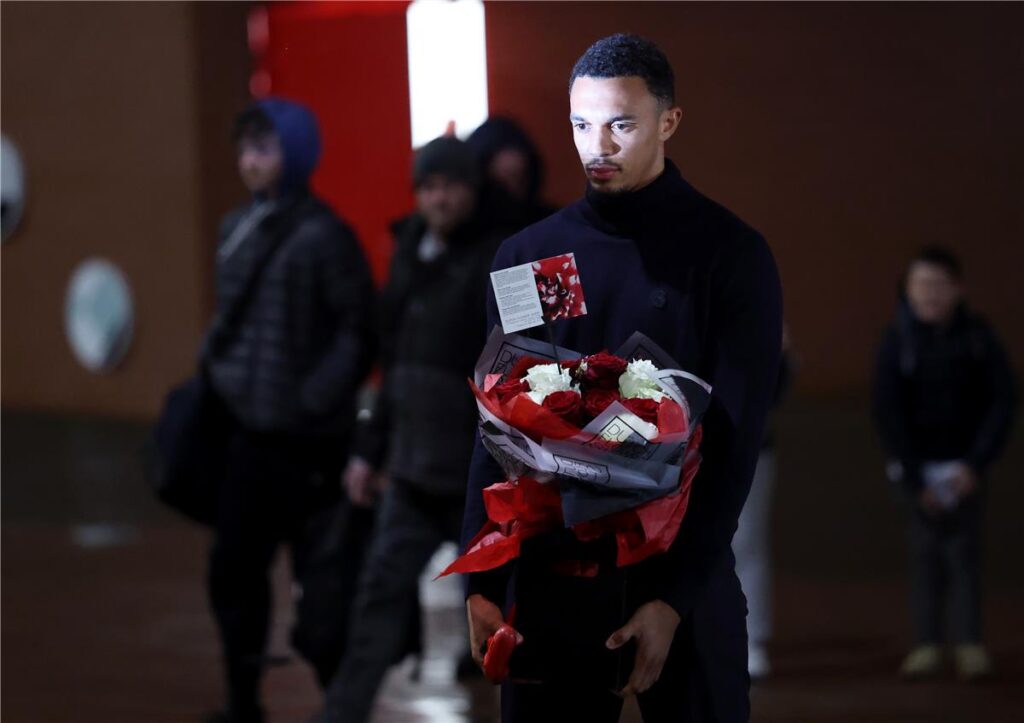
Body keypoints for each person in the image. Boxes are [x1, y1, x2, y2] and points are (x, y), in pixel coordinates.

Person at [464, 34, 782, 722]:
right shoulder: (534, 255)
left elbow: (733, 444)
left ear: (669, 122)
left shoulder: (727, 255)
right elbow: (496, 426)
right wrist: (482, 578)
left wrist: (673, 599)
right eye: (581, 124)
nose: (597, 145)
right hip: (554, 577)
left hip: (682, 576)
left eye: (621, 124)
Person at [316, 136, 511, 723]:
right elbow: (393, 361)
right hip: (410, 473)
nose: (438, 198)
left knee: (501, 617)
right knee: (376, 602)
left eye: (449, 186)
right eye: (427, 187)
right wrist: (368, 451)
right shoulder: (408, 254)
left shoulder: (500, 259)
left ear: (472, 190)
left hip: (479, 479)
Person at [203, 98, 376, 723]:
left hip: (310, 447)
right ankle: (242, 702)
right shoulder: (235, 228)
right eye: (245, 148)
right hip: (248, 440)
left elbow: (360, 329)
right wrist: (226, 383)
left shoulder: (324, 235)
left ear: (296, 153)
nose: (250, 160)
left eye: (265, 147)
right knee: (233, 575)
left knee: (323, 589)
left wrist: (313, 400)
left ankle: (339, 708)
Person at [873, 245, 1015, 681]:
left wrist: (975, 464)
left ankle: (970, 643)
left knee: (966, 555)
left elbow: (1002, 401)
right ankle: (927, 644)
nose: (930, 293)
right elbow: (888, 413)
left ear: (958, 289)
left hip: (965, 469)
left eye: (939, 284)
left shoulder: (978, 338)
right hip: (917, 471)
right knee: (924, 554)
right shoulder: (897, 341)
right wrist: (916, 478)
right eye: (921, 284)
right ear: (907, 290)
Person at [731, 333, 793, 680]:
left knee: (748, 540)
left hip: (751, 444)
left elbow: (777, 388)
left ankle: (751, 638)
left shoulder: (760, 314)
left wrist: (781, 355)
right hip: (688, 438)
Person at [467, 116, 557, 231]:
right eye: (500, 185)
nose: (512, 190)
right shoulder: (465, 231)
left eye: (520, 180)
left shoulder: (550, 224)